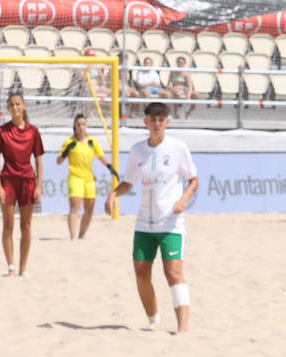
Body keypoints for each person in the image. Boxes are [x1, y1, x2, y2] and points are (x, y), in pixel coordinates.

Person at [106, 102, 199, 333]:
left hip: (171, 223)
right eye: (153, 120)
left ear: (167, 122)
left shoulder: (178, 148)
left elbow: (194, 180)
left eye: (161, 120)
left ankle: (183, 328)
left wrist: (182, 201)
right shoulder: (138, 150)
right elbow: (128, 182)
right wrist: (113, 194)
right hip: (144, 223)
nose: (157, 124)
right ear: (145, 122)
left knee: (173, 272)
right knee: (141, 272)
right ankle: (153, 318)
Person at [0, 93, 43, 278]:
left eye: (18, 104)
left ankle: (23, 268)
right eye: (12, 105)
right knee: (9, 225)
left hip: (28, 180)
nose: (15, 107)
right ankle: (11, 267)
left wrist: (39, 185)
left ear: (24, 106)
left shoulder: (33, 131)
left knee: (26, 226)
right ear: (8, 108)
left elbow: (38, 159)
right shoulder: (2, 131)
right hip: (8, 181)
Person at [56, 113, 119, 241]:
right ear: (74, 126)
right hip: (75, 177)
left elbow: (101, 156)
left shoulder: (92, 142)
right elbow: (59, 161)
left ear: (87, 126)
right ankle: (73, 237)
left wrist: (111, 167)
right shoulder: (69, 142)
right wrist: (66, 151)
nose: (81, 127)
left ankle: (81, 235)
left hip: (89, 178)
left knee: (89, 208)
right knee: (75, 206)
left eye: (83, 124)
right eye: (78, 124)